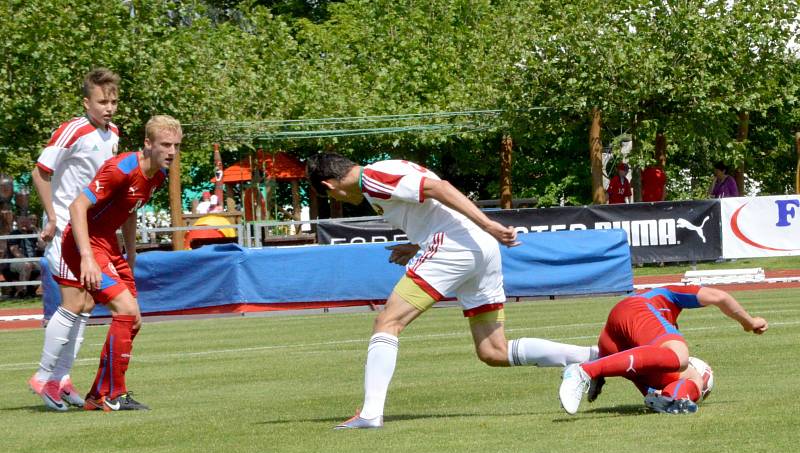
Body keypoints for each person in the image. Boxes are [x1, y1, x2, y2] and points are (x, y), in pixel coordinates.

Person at [307, 153, 592, 430]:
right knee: (493, 351)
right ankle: (594, 358)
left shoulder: (371, 179)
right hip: (480, 249)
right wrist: (417, 245)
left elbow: (438, 188)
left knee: (387, 323)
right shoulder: (381, 173)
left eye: (331, 197)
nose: (338, 200)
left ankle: (370, 414)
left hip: (453, 248)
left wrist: (490, 224)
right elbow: (434, 209)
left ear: (329, 185)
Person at [56, 115, 182, 412]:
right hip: (81, 243)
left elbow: (130, 209)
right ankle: (112, 394)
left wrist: (131, 251)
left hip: (109, 246)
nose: (172, 152)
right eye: (165, 145)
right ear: (148, 144)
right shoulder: (121, 168)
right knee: (125, 310)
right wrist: (87, 257)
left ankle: (99, 394)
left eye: (176, 145)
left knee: (133, 319)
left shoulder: (158, 176)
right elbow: (77, 206)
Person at [28, 68, 120, 411]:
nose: (108, 107)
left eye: (113, 101)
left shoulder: (113, 134)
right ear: (87, 102)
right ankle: (44, 376)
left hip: (90, 230)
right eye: (101, 101)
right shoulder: (74, 129)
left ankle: (61, 378)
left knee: (86, 304)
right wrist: (52, 217)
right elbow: (40, 172)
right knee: (73, 302)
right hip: (67, 228)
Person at [552, 285, 767, 415]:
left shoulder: (657, 347)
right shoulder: (668, 294)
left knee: (683, 374)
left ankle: (670, 399)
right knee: (680, 357)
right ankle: (584, 371)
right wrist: (749, 322)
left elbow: (644, 373)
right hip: (634, 309)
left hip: (612, 342)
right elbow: (719, 297)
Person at [7, 214, 44, 298]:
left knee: (47, 267)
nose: (24, 224)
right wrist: (27, 260)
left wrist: (37, 232)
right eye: (22, 222)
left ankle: (31, 289)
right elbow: (15, 252)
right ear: (18, 223)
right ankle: (22, 291)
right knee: (27, 265)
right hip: (17, 261)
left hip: (33, 261)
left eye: (26, 222)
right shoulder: (14, 233)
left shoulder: (32, 233)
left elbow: (42, 246)